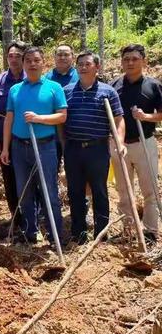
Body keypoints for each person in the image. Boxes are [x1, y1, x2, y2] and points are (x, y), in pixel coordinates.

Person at [1, 47, 67, 244]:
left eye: (36, 60)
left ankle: (55, 234)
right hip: (20, 148)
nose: (32, 64)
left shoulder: (54, 88)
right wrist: (5, 147)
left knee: (49, 191)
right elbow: (8, 119)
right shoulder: (15, 90)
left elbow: (62, 116)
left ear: (43, 62)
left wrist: (39, 118)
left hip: (45, 146)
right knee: (25, 192)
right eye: (28, 60)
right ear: (23, 63)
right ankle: (30, 232)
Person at [62, 51, 124, 244]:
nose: (83, 66)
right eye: (80, 63)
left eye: (87, 63)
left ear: (97, 67)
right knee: (75, 191)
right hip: (73, 149)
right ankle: (78, 232)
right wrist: (64, 146)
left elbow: (119, 120)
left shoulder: (108, 92)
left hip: (97, 149)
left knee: (99, 190)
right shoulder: (68, 91)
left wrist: (119, 142)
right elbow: (61, 121)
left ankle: (101, 233)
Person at [110, 44, 162, 243]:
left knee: (150, 189)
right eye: (126, 59)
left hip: (144, 142)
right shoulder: (114, 85)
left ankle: (150, 231)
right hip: (119, 145)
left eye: (134, 59)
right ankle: (129, 230)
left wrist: (146, 116)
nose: (130, 63)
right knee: (123, 190)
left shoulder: (154, 85)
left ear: (144, 61)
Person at [0, 41, 27, 231]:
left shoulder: (33, 79)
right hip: (6, 139)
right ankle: (16, 218)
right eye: (10, 55)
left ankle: (31, 220)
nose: (13, 59)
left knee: (28, 178)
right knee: (10, 179)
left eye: (17, 56)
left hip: (28, 137)